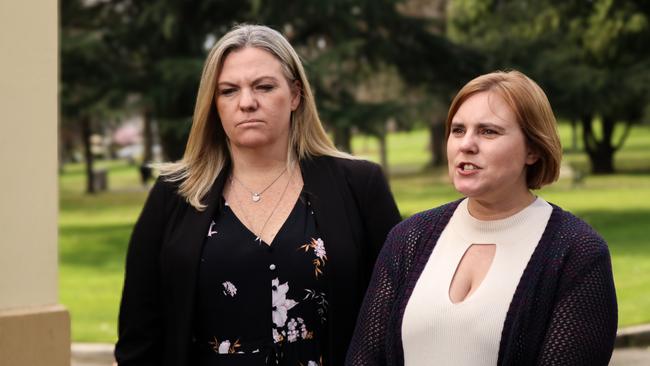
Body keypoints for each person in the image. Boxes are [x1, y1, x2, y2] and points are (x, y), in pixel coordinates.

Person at [114, 24, 401, 366]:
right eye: (229, 91)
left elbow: (393, 316)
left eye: (264, 87)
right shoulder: (174, 194)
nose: (247, 103)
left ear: (296, 95)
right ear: (213, 103)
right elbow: (140, 333)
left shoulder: (359, 185)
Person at [346, 70, 618, 366]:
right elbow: (364, 359)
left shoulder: (576, 253)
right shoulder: (409, 238)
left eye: (488, 131)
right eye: (458, 130)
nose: (467, 144)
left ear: (533, 149)